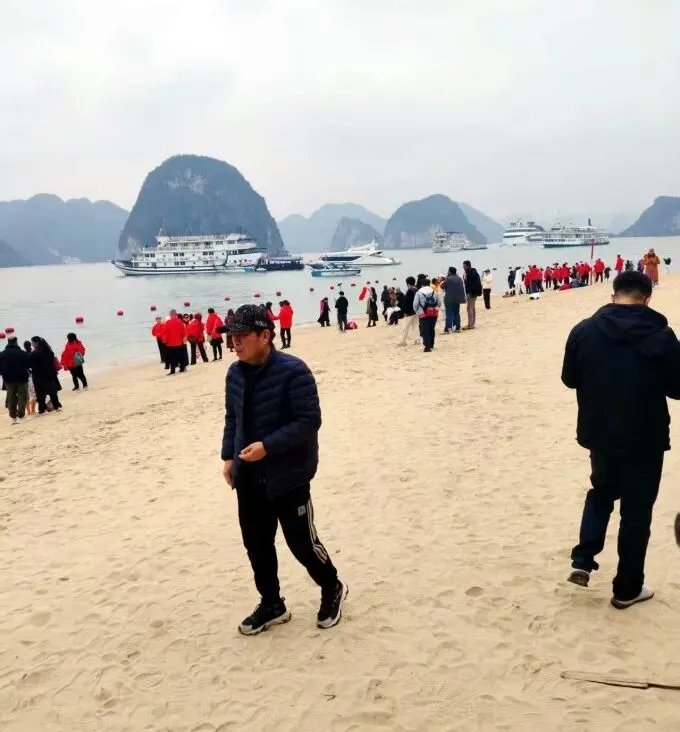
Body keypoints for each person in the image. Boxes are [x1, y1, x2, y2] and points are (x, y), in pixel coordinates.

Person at [221, 304, 347, 635]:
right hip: (248, 476)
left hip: (288, 476)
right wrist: (229, 457)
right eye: (231, 336)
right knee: (256, 544)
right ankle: (272, 604)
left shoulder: (294, 371)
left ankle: (332, 586)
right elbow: (232, 417)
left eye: (241, 335)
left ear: (265, 335)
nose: (234, 343)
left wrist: (268, 447)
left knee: (302, 543)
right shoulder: (234, 374)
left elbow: (309, 420)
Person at [562, 271, 680, 609]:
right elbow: (677, 388)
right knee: (636, 513)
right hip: (645, 437)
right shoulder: (661, 336)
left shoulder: (583, 331)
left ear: (613, 296)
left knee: (601, 492)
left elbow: (569, 378)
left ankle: (583, 559)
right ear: (647, 299)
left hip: (600, 433)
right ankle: (627, 589)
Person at [0, 336, 30, 424]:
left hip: (8, 379)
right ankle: (21, 413)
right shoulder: (23, 353)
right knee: (22, 396)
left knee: (11, 396)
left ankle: (13, 415)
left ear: (8, 342)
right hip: (22, 378)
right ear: (16, 341)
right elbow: (28, 365)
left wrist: (3, 373)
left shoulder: (2, 354)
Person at [29, 337, 62, 414]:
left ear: (36, 343)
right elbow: (52, 364)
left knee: (40, 393)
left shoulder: (34, 354)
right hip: (49, 374)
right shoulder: (50, 352)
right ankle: (56, 406)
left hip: (38, 376)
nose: (31, 344)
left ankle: (42, 410)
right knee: (52, 392)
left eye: (32, 342)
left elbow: (29, 364)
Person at [413, 277, 440, 352]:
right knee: (431, 328)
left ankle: (427, 346)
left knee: (425, 329)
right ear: (429, 284)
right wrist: (436, 310)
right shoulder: (434, 292)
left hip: (423, 314)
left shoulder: (419, 293)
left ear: (421, 285)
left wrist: (418, 312)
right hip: (433, 313)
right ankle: (431, 344)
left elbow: (415, 304)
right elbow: (439, 303)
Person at [441, 266, 466, 333]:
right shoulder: (459, 278)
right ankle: (457, 327)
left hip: (449, 299)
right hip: (458, 299)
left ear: (449, 272)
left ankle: (448, 328)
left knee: (449, 313)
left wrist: (446, 277)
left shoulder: (448, 279)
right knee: (456, 313)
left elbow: (442, 286)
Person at [398, 276, 419, 346]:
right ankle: (417, 340)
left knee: (405, 327)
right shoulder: (416, 289)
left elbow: (408, 302)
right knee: (415, 326)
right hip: (416, 311)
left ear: (408, 283)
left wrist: (405, 312)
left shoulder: (410, 291)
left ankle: (403, 341)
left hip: (409, 312)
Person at [164, 309, 188, 374]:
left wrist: (164, 341)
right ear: (176, 314)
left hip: (170, 343)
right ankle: (182, 369)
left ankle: (173, 370)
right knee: (180, 356)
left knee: (172, 358)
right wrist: (184, 341)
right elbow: (183, 333)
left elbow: (165, 333)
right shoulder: (180, 322)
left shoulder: (168, 322)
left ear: (171, 314)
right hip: (179, 343)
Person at [462, 260, 482, 330]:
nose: (463, 267)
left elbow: (473, 284)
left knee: (469, 308)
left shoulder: (472, 273)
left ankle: (470, 324)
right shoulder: (471, 272)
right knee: (472, 308)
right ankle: (472, 323)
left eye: (464, 266)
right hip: (472, 293)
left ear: (468, 266)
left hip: (472, 293)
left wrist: (472, 293)